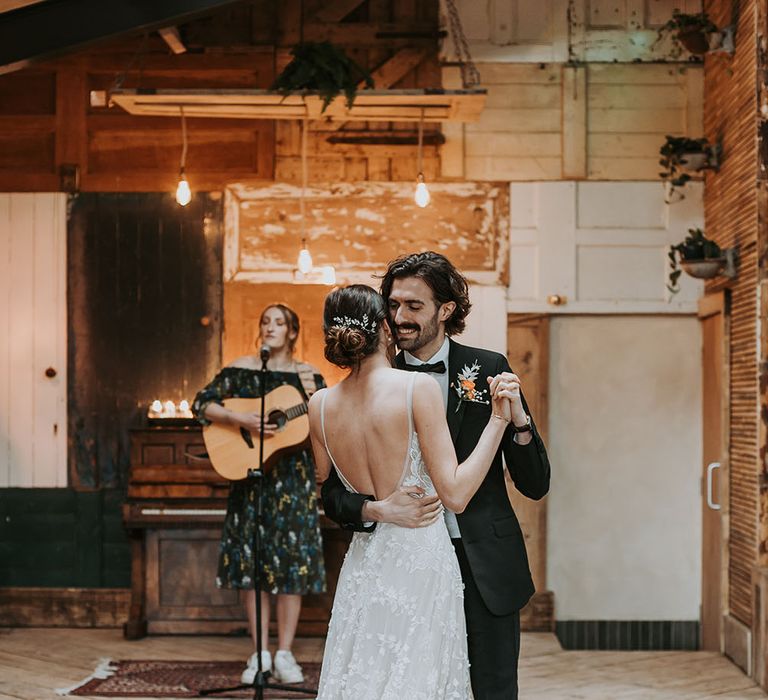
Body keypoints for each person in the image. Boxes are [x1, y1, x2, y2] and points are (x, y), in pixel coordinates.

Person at [321, 252, 551, 700]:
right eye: (392, 305)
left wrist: (518, 419)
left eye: (414, 306)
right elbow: (331, 492)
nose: (399, 317)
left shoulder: (487, 367)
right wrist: (374, 508)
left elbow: (536, 483)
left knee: (492, 690)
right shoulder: (373, 379)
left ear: (446, 309)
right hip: (402, 568)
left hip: (483, 562)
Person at [192, 303, 326, 685]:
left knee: (291, 567)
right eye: (265, 321)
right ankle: (260, 652)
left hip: (294, 482)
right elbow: (201, 402)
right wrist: (240, 419)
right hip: (250, 480)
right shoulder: (241, 369)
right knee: (252, 565)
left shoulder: (309, 378)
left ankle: (284, 653)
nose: (270, 327)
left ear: (293, 332)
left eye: (278, 322)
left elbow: (324, 419)